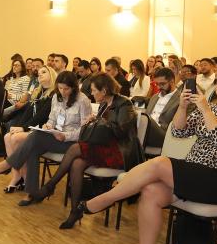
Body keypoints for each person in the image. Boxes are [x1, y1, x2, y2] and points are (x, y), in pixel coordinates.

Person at [70, 67, 217, 244]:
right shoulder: (213, 108)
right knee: (151, 192)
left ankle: (104, 199)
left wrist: (205, 110)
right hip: (196, 174)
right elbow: (179, 131)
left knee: (160, 163)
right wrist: (183, 107)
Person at [25, 73, 142, 228]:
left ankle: (50, 186)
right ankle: (75, 211)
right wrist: (94, 121)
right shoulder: (104, 104)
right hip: (103, 148)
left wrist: (99, 121)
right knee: (77, 164)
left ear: (104, 91)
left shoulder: (124, 104)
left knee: (75, 148)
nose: (91, 93)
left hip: (120, 151)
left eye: (94, 90)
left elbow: (121, 131)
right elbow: (102, 131)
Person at [0, 72, 92, 202]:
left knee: (35, 137)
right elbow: (52, 119)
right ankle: (32, 193)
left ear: (74, 87)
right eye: (60, 88)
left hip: (71, 143)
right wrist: (48, 126)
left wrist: (66, 136)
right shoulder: (56, 97)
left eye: (66, 89)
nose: (63, 92)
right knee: (33, 149)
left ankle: (8, 164)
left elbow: (84, 130)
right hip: (54, 136)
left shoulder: (83, 100)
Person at [0, 66, 57, 192]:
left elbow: (42, 116)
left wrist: (23, 128)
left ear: (52, 75)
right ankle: (16, 176)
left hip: (43, 129)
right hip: (32, 127)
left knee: (15, 138)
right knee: (8, 136)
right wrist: (19, 126)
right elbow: (28, 113)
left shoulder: (54, 94)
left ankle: (23, 177)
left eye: (44, 72)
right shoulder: (38, 91)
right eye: (39, 73)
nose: (40, 74)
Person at [143, 67, 181, 148]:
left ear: (172, 81)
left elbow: (178, 126)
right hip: (146, 129)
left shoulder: (181, 99)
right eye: (157, 84)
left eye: (162, 84)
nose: (159, 87)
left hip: (164, 133)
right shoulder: (154, 97)